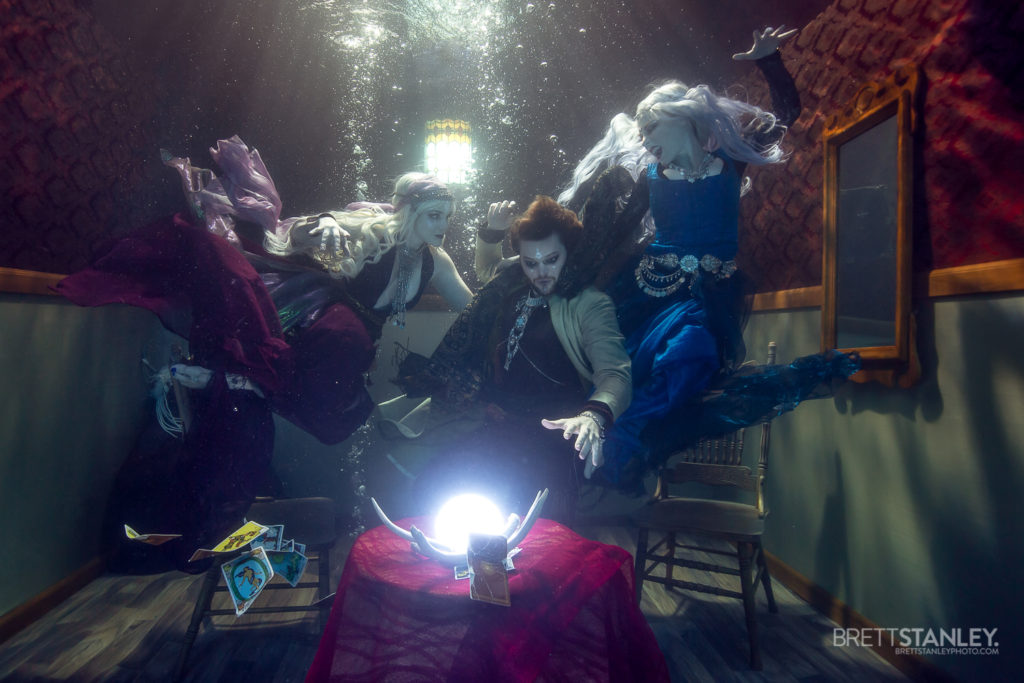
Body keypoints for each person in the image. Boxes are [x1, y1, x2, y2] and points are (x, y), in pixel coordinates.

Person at [56, 136, 475, 567]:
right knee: (295, 364)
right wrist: (324, 226)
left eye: (447, 216)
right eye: (434, 216)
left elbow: (472, 305)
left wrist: (500, 255)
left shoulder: (437, 261)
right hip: (321, 319)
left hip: (352, 344)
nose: (443, 224)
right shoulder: (376, 229)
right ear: (411, 213)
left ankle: (246, 383)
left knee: (338, 416)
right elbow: (301, 226)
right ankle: (239, 381)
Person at [541, 26, 857, 492]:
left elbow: (787, 113)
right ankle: (602, 439)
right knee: (625, 369)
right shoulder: (650, 176)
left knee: (691, 354)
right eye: (642, 132)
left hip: (710, 293)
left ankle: (624, 437)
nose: (646, 141)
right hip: (649, 290)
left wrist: (770, 59)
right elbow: (610, 235)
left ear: (681, 118)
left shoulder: (730, 161)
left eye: (652, 129)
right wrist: (559, 267)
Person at [384, 196, 632, 524]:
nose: (541, 272)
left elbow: (616, 374)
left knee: (539, 530)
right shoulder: (512, 284)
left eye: (552, 260)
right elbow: (488, 267)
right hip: (496, 426)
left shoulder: (589, 303)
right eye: (531, 262)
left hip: (552, 436)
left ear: (569, 253)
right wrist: (492, 232)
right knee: (435, 491)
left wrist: (594, 417)